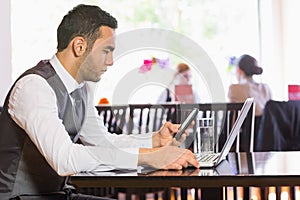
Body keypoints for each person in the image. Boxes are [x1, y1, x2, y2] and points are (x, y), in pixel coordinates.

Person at [0, 4, 199, 200]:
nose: (111, 61)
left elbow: (104, 142)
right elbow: (65, 159)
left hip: (59, 194)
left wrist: (153, 141)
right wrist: (148, 157)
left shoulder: (82, 89)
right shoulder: (34, 87)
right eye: (106, 50)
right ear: (79, 46)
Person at [228, 54, 272, 133]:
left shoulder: (234, 88)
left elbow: (232, 120)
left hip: (247, 137)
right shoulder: (266, 88)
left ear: (239, 70)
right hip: (267, 135)